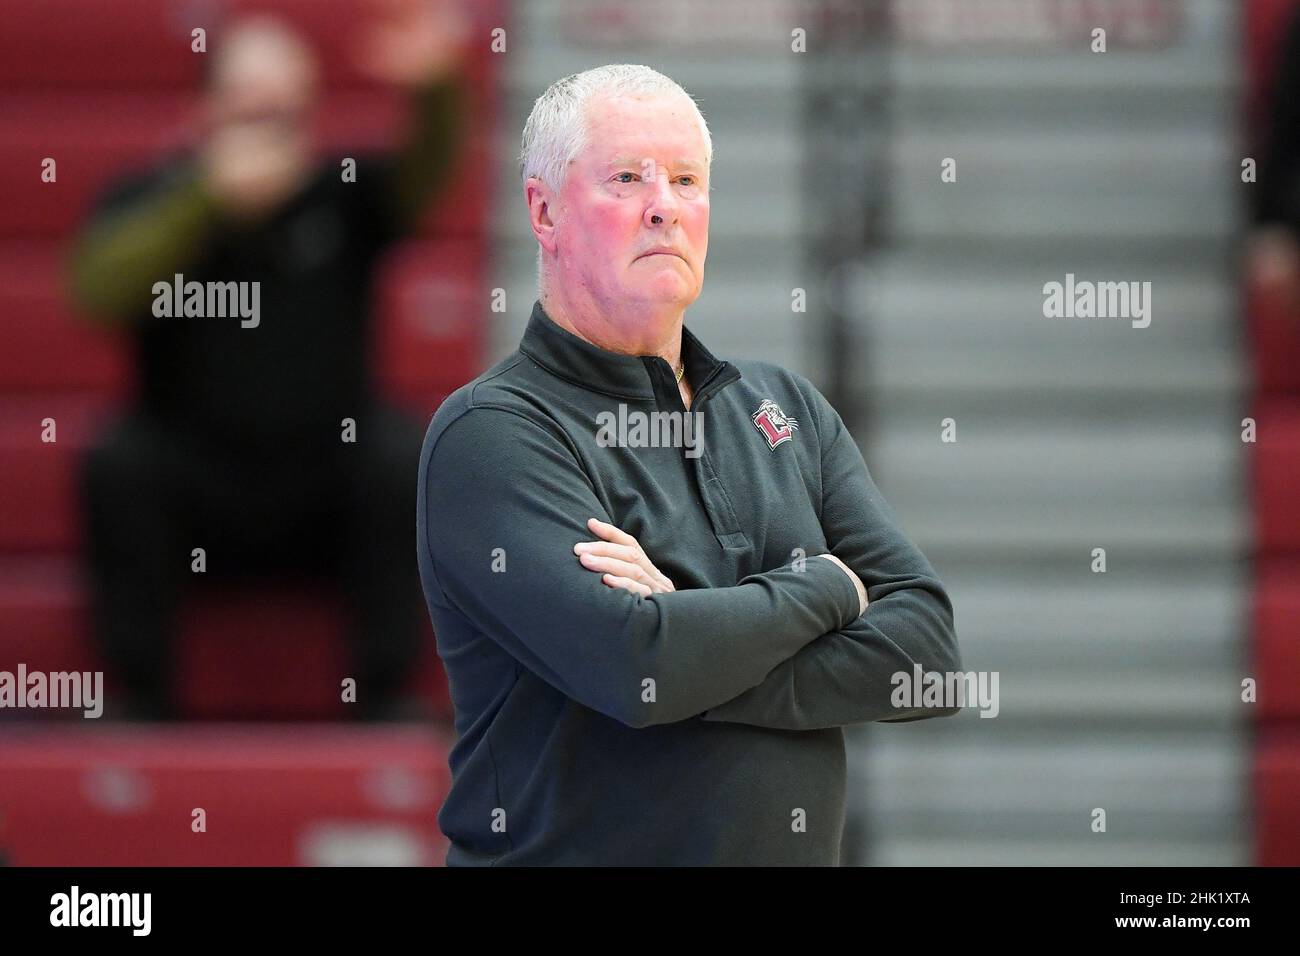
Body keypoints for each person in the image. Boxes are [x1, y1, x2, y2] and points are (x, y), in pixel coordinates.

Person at [417, 64, 960, 865]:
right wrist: (827, 588)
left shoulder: (788, 410)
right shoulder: (493, 433)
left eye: (685, 179)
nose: (663, 205)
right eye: (627, 178)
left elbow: (925, 653)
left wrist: (695, 633)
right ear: (544, 211)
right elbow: (638, 665)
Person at [67, 0, 467, 720]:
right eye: (249, 110)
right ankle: (141, 707)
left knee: (402, 451)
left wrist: (436, 91)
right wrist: (204, 201)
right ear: (205, 112)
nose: (267, 133)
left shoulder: (341, 196)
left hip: (321, 489)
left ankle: (381, 703)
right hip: (194, 489)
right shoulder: (151, 199)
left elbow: (426, 177)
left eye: (285, 113)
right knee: (117, 462)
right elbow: (97, 289)